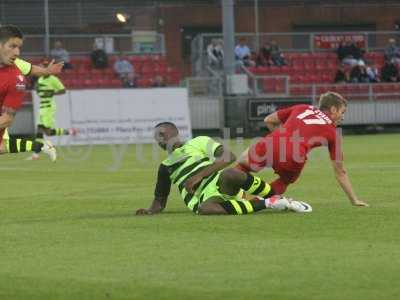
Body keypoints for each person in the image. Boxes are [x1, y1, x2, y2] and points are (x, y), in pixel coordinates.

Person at [136, 122, 311, 216]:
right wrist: (150, 210)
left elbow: (228, 157)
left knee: (231, 173)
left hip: (218, 182)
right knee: (205, 209)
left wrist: (198, 176)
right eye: (156, 137)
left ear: (174, 133)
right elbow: (160, 200)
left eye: (161, 134)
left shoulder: (198, 142)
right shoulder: (165, 167)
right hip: (203, 199)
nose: (158, 140)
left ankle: (277, 197)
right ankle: (268, 203)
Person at [235, 92, 368, 207]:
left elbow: (268, 120)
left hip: (274, 140)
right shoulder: (333, 133)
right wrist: (354, 199)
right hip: (294, 156)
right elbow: (340, 172)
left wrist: (281, 141)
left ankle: (227, 192)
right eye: (342, 112)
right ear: (333, 109)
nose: (343, 117)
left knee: (242, 163)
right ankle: (251, 205)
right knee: (284, 181)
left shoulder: (303, 107)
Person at [0, 25, 56, 161]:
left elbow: (7, 119)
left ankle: (41, 146)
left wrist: (47, 72)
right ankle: (42, 146)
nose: (17, 52)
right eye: (12, 46)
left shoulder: (16, 79)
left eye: (19, 48)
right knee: (2, 148)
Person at [29, 59, 77, 159]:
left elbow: (63, 90)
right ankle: (36, 155)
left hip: (49, 107)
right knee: (43, 132)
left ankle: (35, 154)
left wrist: (52, 93)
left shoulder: (53, 79)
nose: (45, 68)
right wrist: (38, 89)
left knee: (45, 131)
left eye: (47, 66)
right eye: (44, 66)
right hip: (42, 107)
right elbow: (39, 91)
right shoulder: (40, 79)